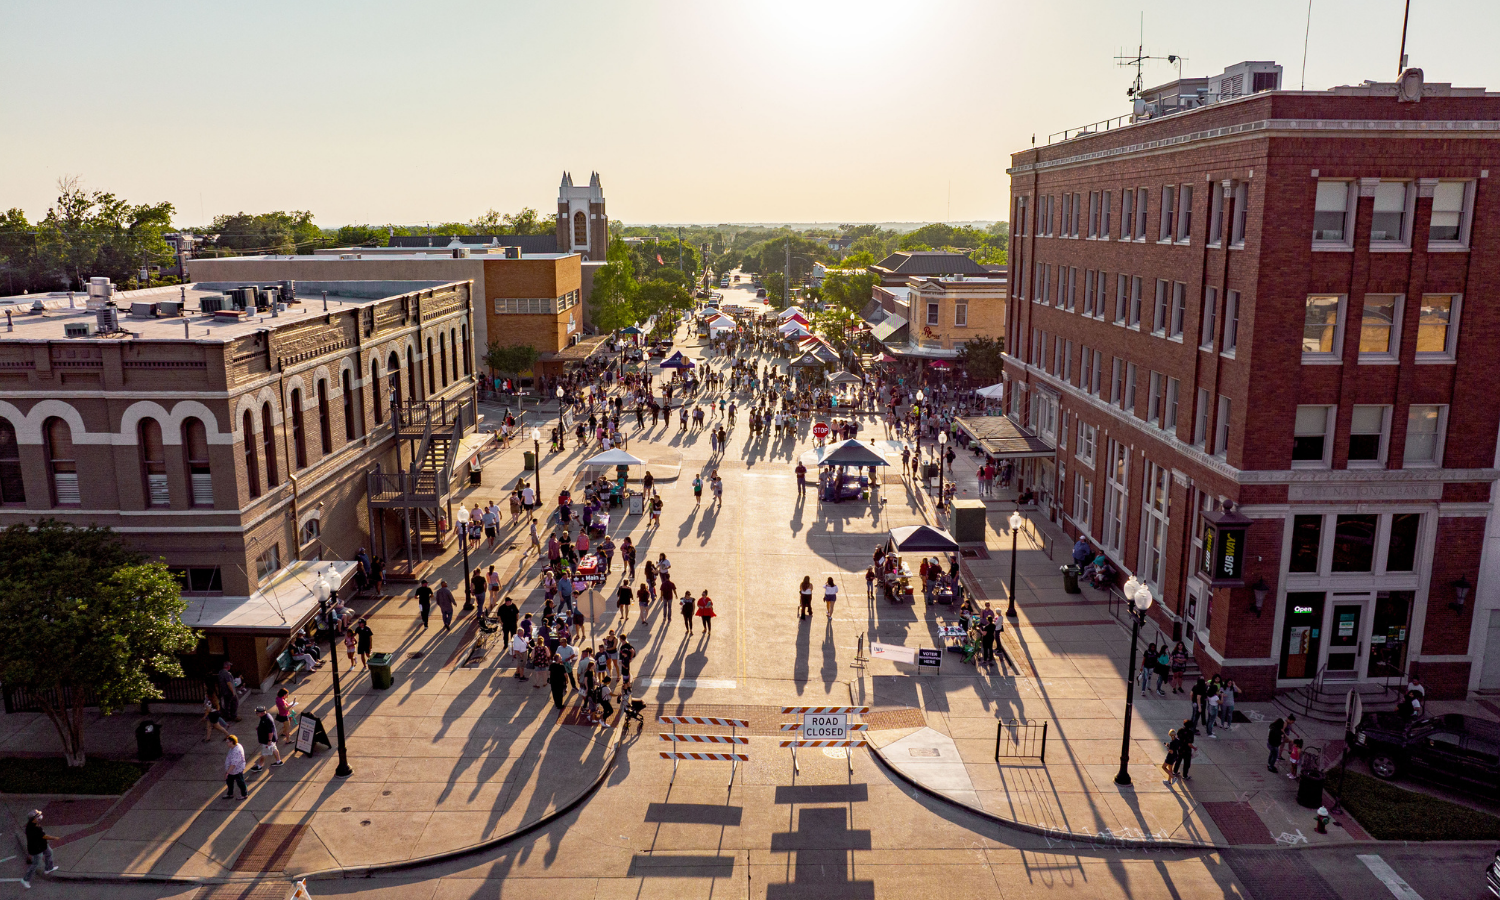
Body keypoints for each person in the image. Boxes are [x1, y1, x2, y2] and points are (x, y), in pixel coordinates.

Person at [21, 809, 57, 888]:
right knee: (35, 864)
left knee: (49, 853)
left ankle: (49, 868)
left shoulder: (33, 825)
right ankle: (25, 880)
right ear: (34, 818)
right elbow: (44, 836)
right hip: (36, 848)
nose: (40, 816)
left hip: (42, 845)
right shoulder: (34, 828)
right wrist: (55, 838)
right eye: (38, 816)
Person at [250, 706, 284, 771]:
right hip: (271, 740)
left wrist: (269, 741)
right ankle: (279, 761)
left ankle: (259, 767)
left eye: (257, 712)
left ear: (262, 713)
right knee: (274, 749)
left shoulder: (267, 719)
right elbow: (266, 727)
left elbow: (270, 732)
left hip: (267, 740)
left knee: (264, 754)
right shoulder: (265, 717)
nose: (256, 713)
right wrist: (259, 728)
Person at [223, 735, 248, 800]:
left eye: (228, 741)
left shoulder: (236, 751)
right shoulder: (234, 747)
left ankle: (244, 794)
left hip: (236, 770)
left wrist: (227, 772)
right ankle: (230, 793)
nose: (227, 743)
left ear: (232, 742)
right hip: (232, 770)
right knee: (229, 782)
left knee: (240, 782)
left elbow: (233, 764)